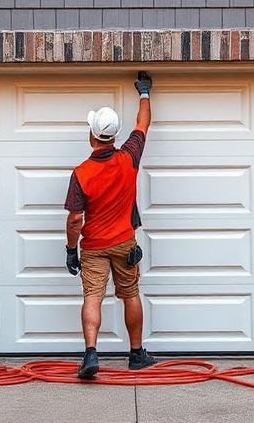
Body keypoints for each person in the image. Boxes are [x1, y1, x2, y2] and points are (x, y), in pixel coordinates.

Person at [64, 71, 157, 379]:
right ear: (114, 136)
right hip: (124, 242)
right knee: (130, 294)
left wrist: (70, 250)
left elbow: (75, 219)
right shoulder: (129, 156)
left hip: (93, 247)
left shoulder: (81, 173)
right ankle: (136, 354)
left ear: (91, 135)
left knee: (92, 297)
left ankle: (91, 354)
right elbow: (142, 123)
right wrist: (144, 93)